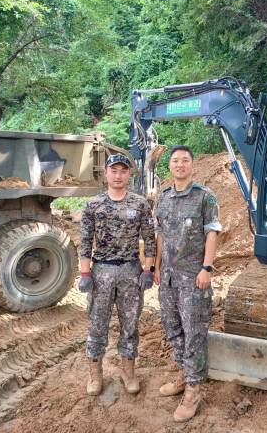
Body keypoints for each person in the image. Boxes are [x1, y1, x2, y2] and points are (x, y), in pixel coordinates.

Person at [78, 153, 156, 396]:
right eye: (114, 171)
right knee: (98, 323)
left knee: (130, 324)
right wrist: (85, 273)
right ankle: (95, 374)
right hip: (101, 270)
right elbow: (84, 240)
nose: (119, 175)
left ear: (129, 174)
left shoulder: (140, 204)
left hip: (130, 271)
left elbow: (149, 239)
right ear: (106, 174)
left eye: (123, 171)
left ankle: (128, 371)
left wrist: (148, 269)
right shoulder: (93, 205)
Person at [154, 145, 221, 422]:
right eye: (175, 161)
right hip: (168, 278)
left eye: (185, 160)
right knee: (173, 329)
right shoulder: (164, 197)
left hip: (194, 278)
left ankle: (193, 389)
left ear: (193, 165)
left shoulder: (205, 196)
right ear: (169, 166)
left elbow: (212, 233)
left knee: (194, 333)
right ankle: (183, 373)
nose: (180, 164)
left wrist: (207, 267)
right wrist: (155, 266)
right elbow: (159, 233)